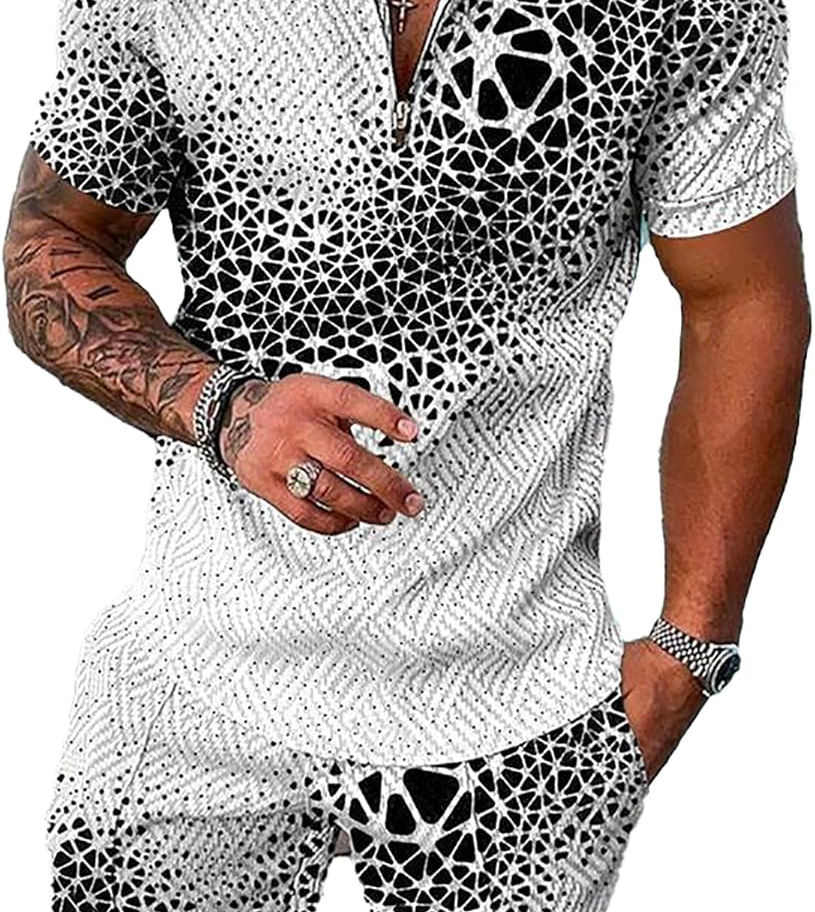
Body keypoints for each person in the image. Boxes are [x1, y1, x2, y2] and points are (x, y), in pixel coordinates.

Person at [3, 0, 810, 909]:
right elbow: (54, 235)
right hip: (193, 683)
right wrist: (218, 406)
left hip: (523, 713)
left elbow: (740, 297)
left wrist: (690, 648)